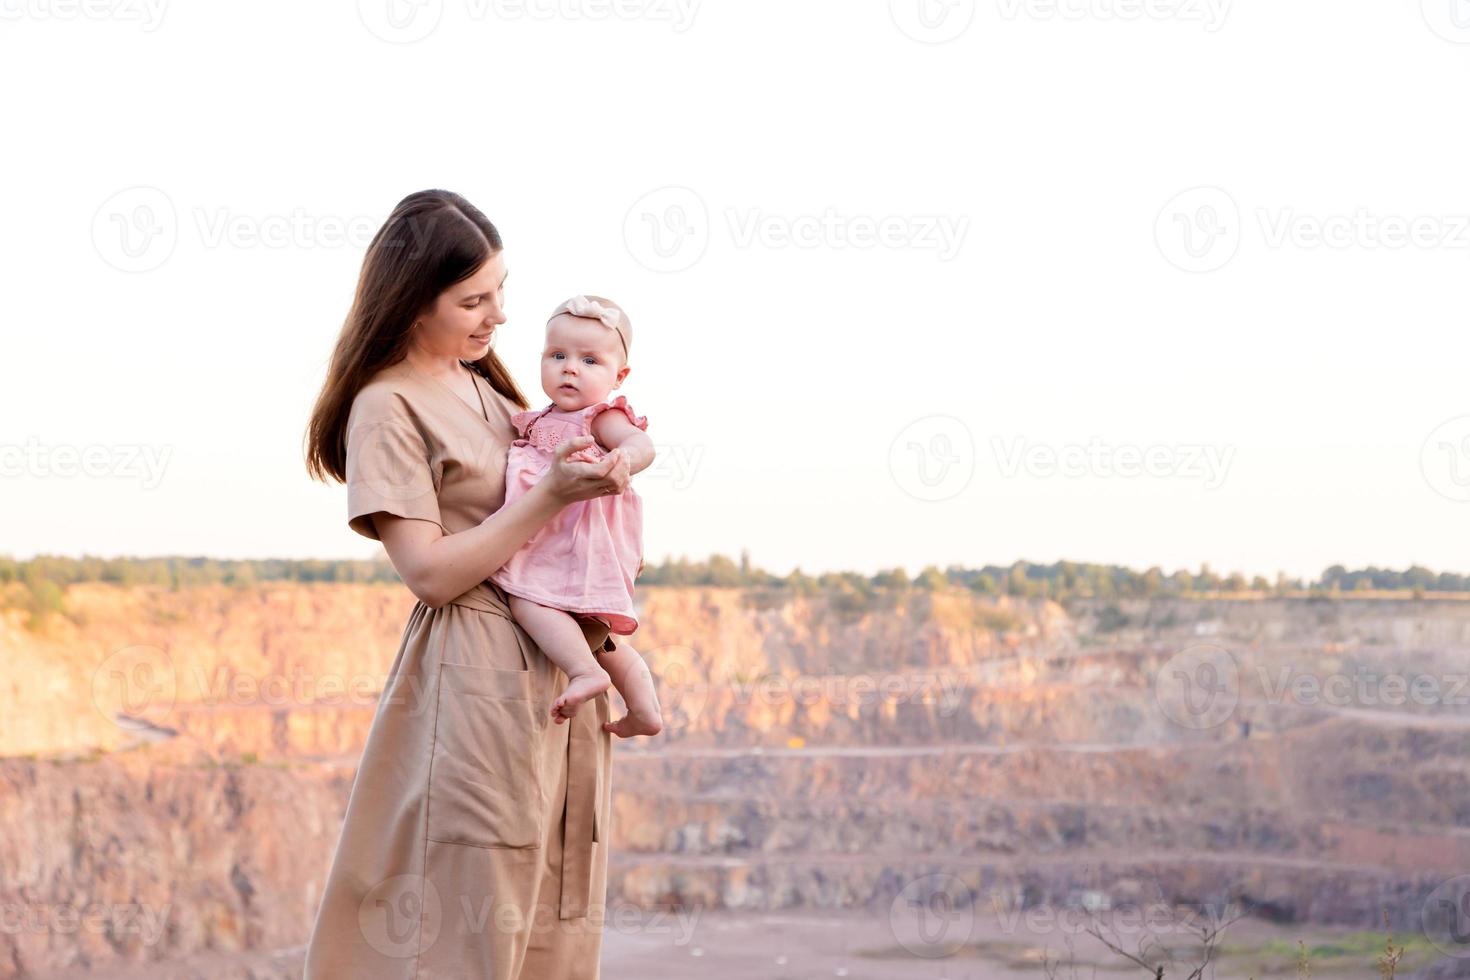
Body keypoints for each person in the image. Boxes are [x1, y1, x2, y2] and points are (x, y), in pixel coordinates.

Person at [301, 189, 628, 978]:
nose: (500, 317)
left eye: (502, 291)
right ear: (413, 303)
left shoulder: (488, 387)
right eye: (474, 299)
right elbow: (430, 573)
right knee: (468, 917)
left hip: (551, 673)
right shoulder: (387, 405)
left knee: (550, 908)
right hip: (475, 674)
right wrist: (552, 495)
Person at [489, 294, 664, 736]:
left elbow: (641, 445)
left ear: (618, 376)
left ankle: (583, 672)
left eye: (590, 360)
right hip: (560, 537)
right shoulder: (535, 419)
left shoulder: (599, 418)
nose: (570, 368)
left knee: (526, 599)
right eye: (558, 355)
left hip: (576, 540)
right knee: (600, 636)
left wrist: (622, 459)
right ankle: (644, 707)